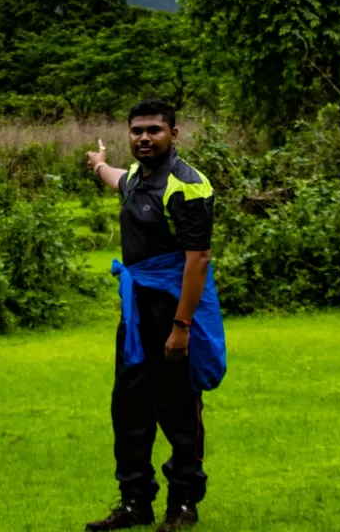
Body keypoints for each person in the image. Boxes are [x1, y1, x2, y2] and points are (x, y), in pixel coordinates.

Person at [83, 99, 225, 532]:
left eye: (154, 130)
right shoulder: (135, 180)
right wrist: (98, 164)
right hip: (136, 313)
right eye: (137, 131)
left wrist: (181, 327)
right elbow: (114, 178)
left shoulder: (187, 184)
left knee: (179, 408)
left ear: (174, 134)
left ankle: (183, 505)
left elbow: (197, 260)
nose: (144, 137)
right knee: (129, 409)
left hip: (173, 305)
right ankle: (135, 502)